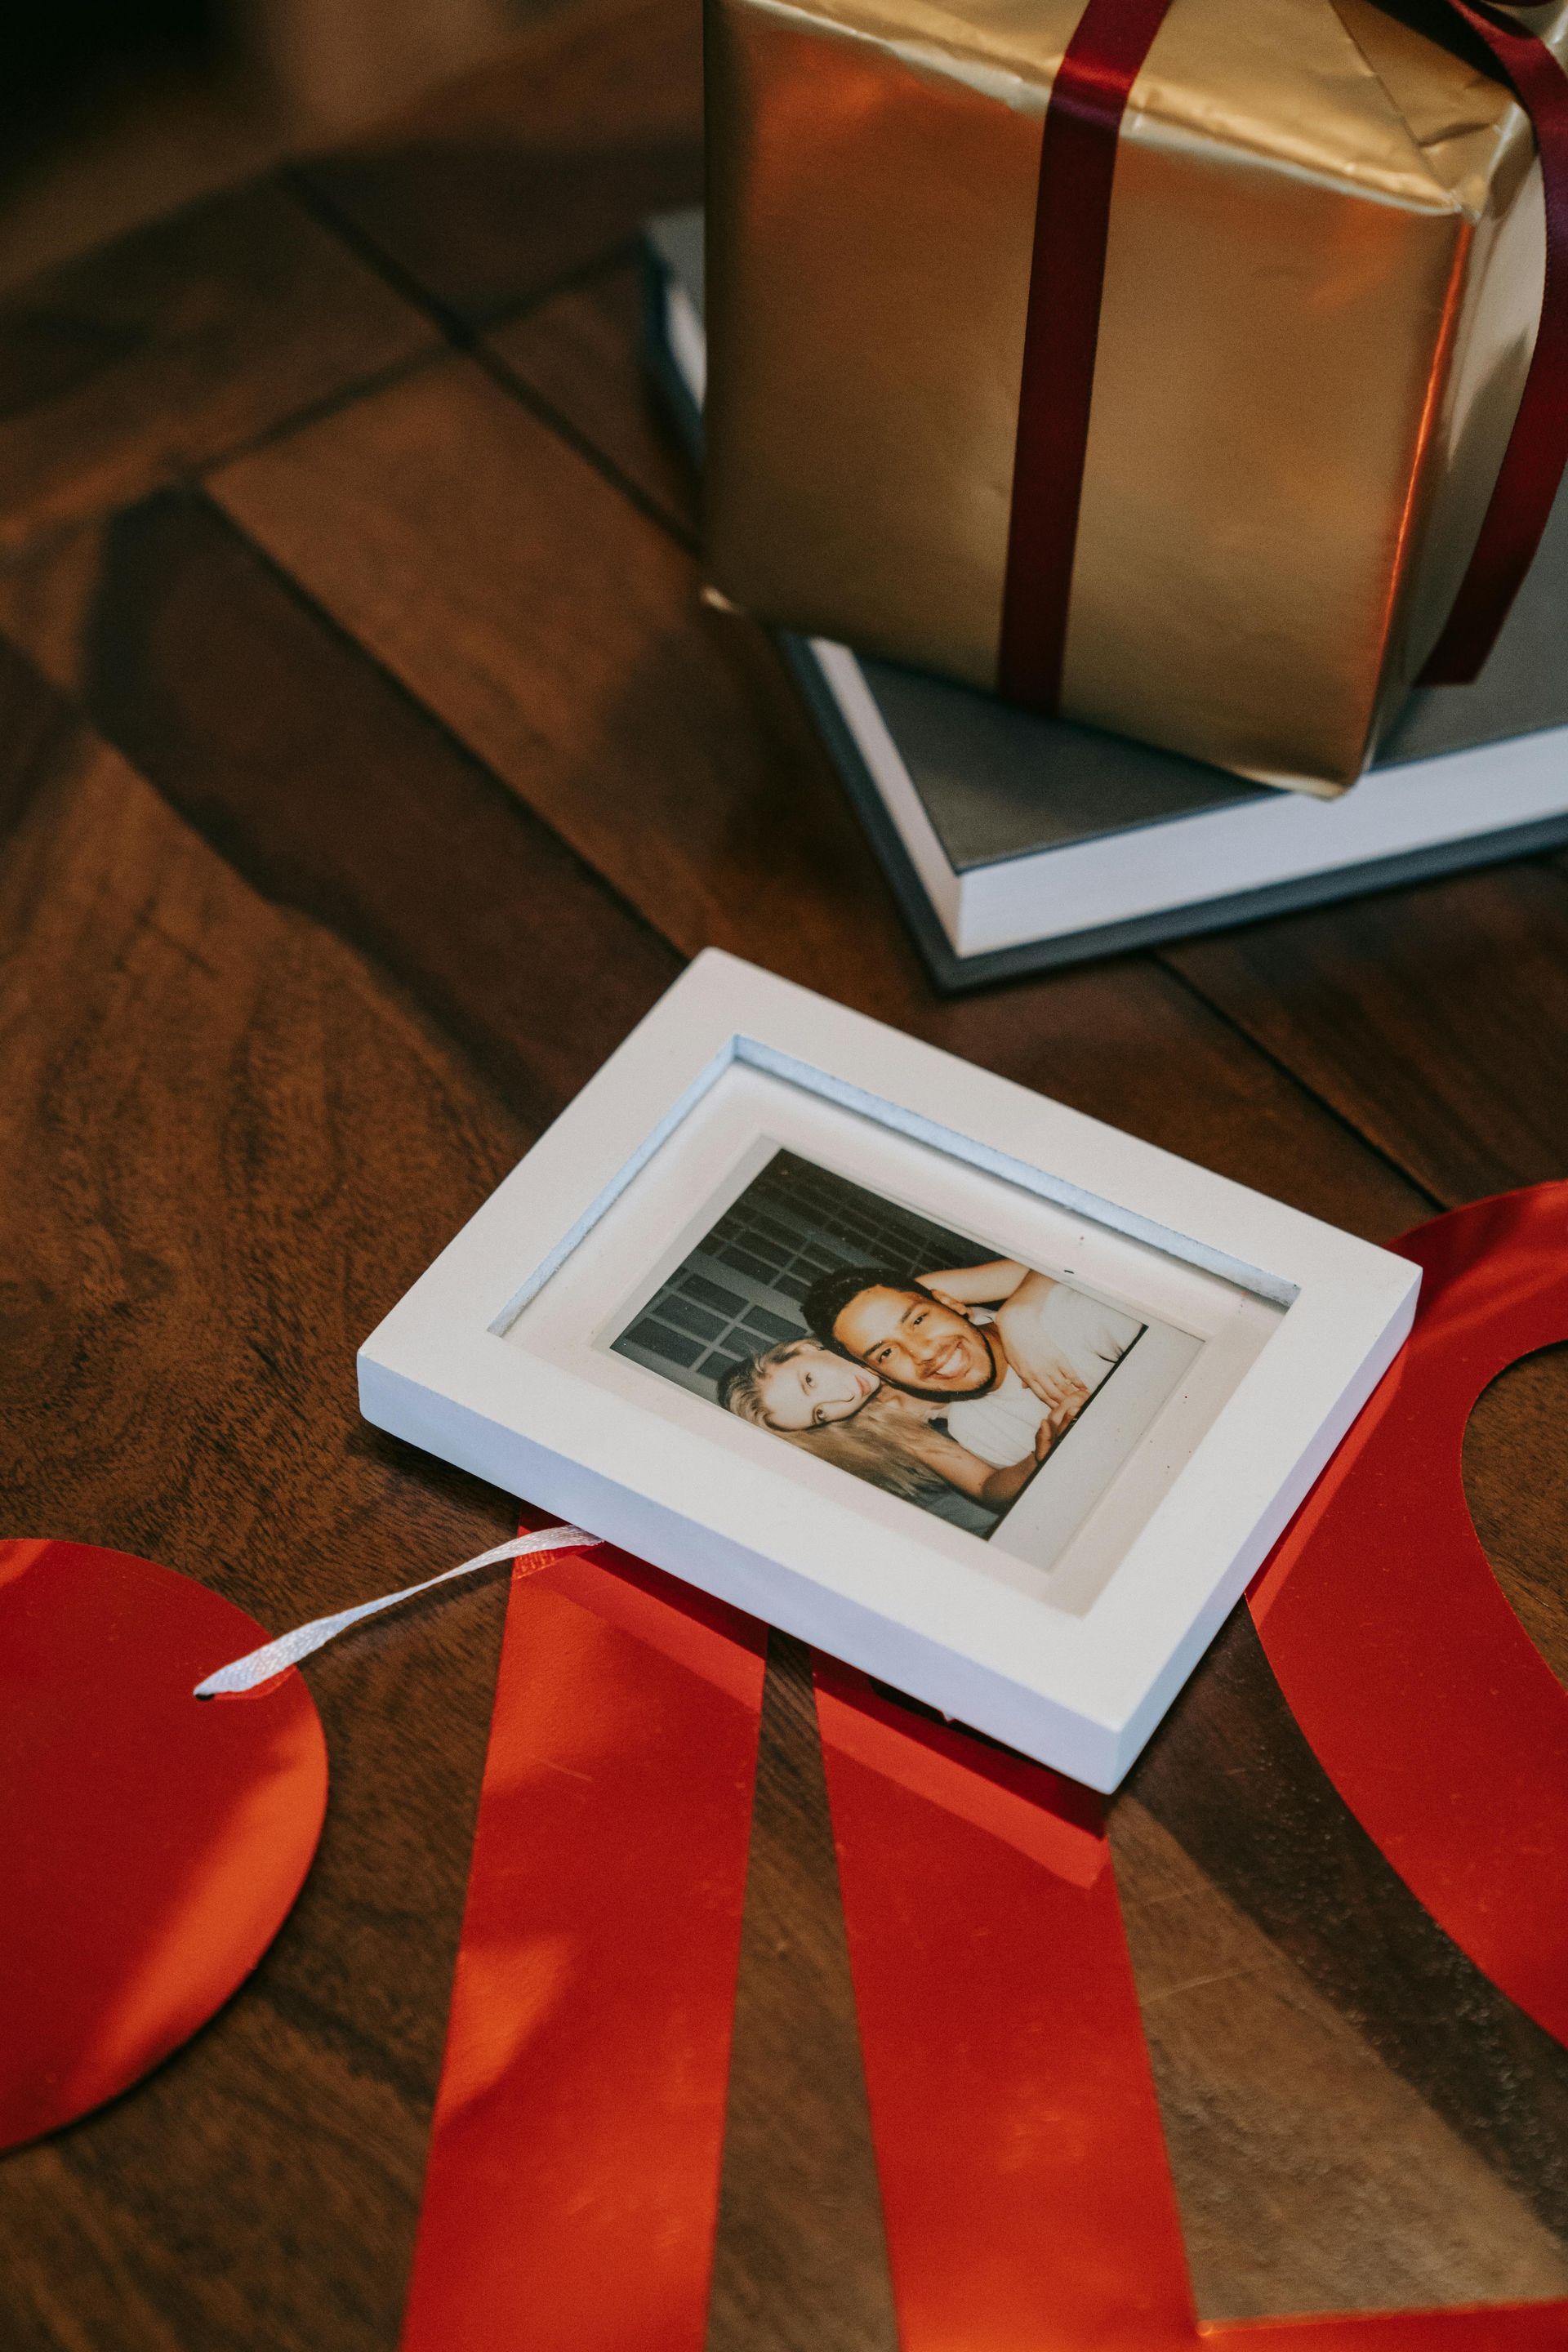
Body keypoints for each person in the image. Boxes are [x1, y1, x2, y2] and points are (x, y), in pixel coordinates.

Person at [801, 1258, 1142, 1478]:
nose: (924, 1352)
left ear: (950, 1302)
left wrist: (1019, 1312)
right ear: (883, 1376)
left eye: (919, 1320)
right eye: (887, 1353)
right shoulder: (975, 1433)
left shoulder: (1072, 1318)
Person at [717, 1337, 1069, 1512]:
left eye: (810, 1381)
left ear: (805, 1348)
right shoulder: (888, 1419)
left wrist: (1021, 1316)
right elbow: (988, 1488)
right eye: (819, 1414)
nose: (840, 1399)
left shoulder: (877, 1321)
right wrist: (1038, 1457)